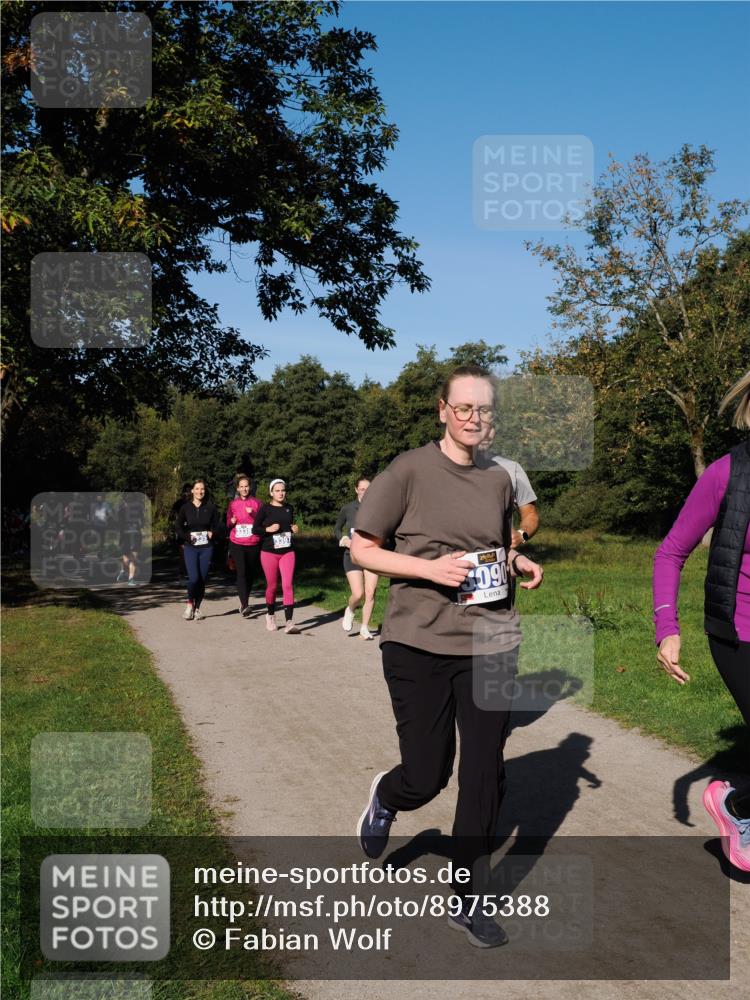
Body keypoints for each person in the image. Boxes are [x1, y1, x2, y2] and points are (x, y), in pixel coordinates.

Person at [351, 364, 544, 948]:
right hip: (418, 642)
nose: (473, 418)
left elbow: (488, 547)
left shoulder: (499, 479)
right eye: (463, 408)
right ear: (443, 410)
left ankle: (467, 898)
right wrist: (428, 570)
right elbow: (363, 549)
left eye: (484, 409)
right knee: (428, 774)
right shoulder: (408, 471)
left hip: (490, 639)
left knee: (484, 771)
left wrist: (517, 561)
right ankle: (389, 796)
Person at [653, 371, 750, 873]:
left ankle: (740, 804)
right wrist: (667, 628)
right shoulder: (726, 473)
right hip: (739, 634)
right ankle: (736, 806)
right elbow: (670, 552)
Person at [253, 479, 300, 634]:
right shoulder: (265, 509)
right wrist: (268, 529)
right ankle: (271, 615)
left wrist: (293, 529)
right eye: (277, 490)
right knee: (272, 586)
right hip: (269, 552)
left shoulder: (289, 508)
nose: (281, 493)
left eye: (283, 490)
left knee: (287, 585)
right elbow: (255, 529)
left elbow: (288, 527)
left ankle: (289, 622)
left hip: (287, 551)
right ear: (271, 492)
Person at [335, 478, 379, 640]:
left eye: (368, 489)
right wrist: (344, 539)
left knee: (370, 592)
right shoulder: (348, 508)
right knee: (358, 593)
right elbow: (337, 528)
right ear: (356, 490)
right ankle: (351, 609)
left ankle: (365, 628)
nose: (365, 492)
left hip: (372, 554)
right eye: (362, 489)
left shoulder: (378, 508)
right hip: (352, 555)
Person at [174, 478, 223, 621]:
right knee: (193, 578)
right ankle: (190, 604)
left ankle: (197, 609)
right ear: (192, 491)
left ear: (205, 491)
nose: (200, 491)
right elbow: (178, 527)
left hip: (206, 548)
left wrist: (213, 533)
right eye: (197, 489)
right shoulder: (185, 508)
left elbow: (219, 526)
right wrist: (187, 537)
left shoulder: (211, 508)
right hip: (190, 547)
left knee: (202, 579)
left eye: (202, 489)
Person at [226, 473, 263, 617]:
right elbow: (228, 522)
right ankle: (245, 604)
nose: (244, 489)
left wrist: (253, 514)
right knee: (241, 572)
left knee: (250, 573)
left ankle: (244, 601)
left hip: (253, 542)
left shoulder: (257, 503)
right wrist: (232, 522)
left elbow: (263, 522)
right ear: (237, 488)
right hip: (237, 543)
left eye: (246, 486)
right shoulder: (233, 504)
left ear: (250, 487)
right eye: (241, 487)